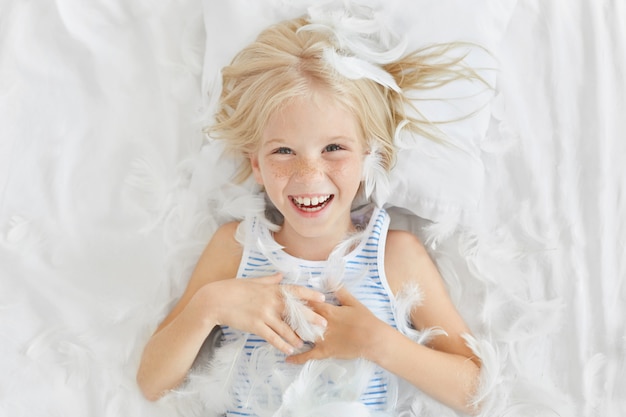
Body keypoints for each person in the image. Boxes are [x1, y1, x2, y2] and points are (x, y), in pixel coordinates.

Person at [137, 5, 484, 416]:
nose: (308, 174)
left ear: (368, 155)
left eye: (334, 148)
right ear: (256, 165)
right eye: (283, 151)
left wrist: (380, 344)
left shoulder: (394, 257)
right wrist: (209, 306)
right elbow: (152, 382)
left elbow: (474, 389)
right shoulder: (235, 248)